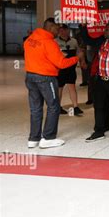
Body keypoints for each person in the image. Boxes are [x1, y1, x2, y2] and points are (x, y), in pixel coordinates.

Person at [24, 18, 79, 148]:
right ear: (51, 28)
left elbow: (38, 55)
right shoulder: (49, 43)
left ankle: (33, 138)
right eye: (57, 28)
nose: (58, 31)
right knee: (53, 106)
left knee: (35, 108)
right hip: (46, 78)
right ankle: (48, 138)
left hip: (30, 76)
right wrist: (77, 58)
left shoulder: (30, 39)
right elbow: (61, 64)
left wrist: (55, 55)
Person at [55, 24, 86, 116]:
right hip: (60, 69)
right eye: (60, 30)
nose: (63, 32)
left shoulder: (74, 41)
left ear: (68, 30)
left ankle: (75, 106)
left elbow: (79, 52)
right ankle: (58, 107)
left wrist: (82, 61)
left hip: (71, 69)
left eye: (65, 30)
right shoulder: (55, 41)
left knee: (72, 87)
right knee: (59, 88)